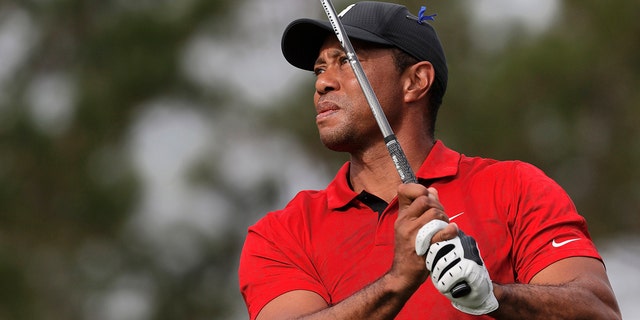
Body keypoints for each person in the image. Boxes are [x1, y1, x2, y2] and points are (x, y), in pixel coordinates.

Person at [238, 1, 621, 319]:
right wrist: (397, 280)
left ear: (415, 81)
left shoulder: (514, 188)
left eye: (346, 61)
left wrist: (494, 296)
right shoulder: (282, 233)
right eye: (320, 68)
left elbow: (598, 309)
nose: (322, 82)